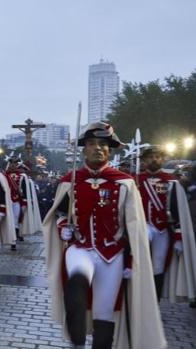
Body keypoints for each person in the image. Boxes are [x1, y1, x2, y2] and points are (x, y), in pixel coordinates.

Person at [44, 122, 166, 349]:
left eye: (102, 144)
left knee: (104, 313)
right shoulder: (71, 180)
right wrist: (63, 226)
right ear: (84, 149)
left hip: (113, 253)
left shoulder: (125, 183)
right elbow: (60, 213)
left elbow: (134, 228)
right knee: (76, 285)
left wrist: (131, 261)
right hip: (80, 247)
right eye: (91, 144)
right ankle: (77, 342)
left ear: (110, 150)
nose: (97, 148)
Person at [136, 146, 196, 303]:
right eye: (150, 157)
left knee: (158, 266)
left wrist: (178, 237)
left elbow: (178, 211)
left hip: (163, 230)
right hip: (142, 227)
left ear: (163, 160)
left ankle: (154, 302)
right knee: (138, 263)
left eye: (158, 156)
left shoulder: (172, 182)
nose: (154, 159)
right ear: (143, 161)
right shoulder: (135, 180)